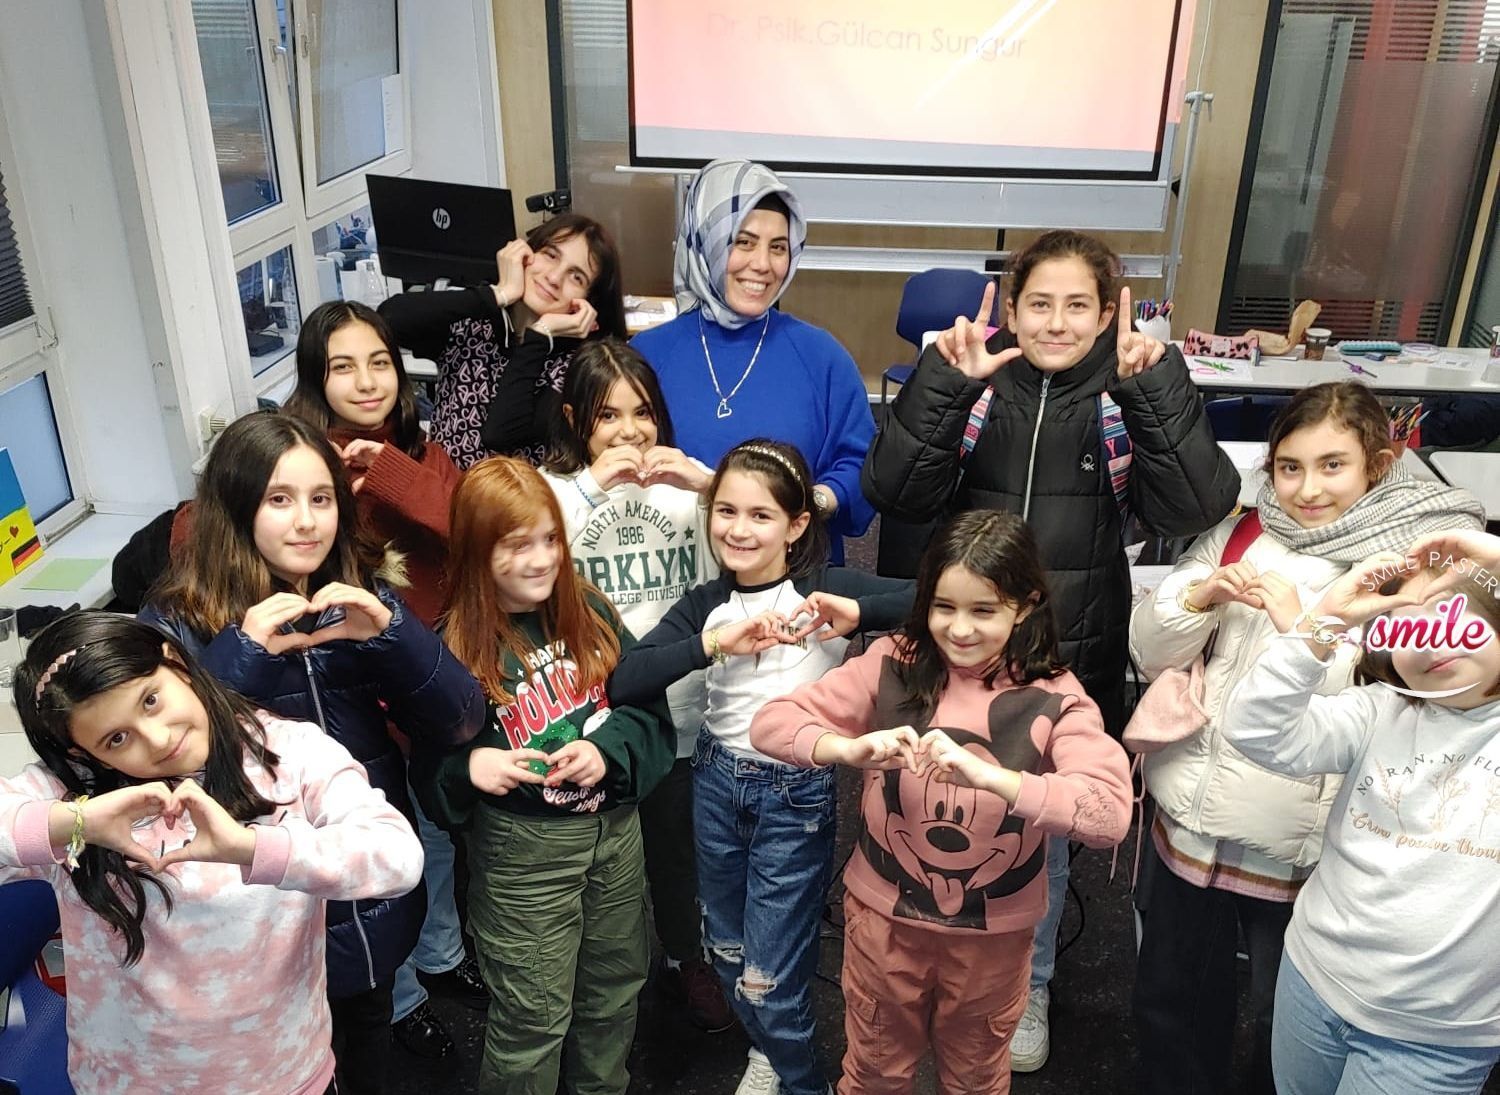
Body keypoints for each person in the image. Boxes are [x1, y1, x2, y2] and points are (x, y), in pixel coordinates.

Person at [862, 229, 1241, 1070]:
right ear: (1011, 308)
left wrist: (1158, 391)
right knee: (935, 802)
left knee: (1043, 828)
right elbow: (892, 488)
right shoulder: (981, 385)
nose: (1058, 322)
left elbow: (1195, 505)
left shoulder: (1125, 395)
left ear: (1111, 314)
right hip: (960, 645)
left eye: (1079, 306)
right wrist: (941, 386)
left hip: (1073, 655)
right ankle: (917, 957)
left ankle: (1026, 982)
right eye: (1040, 303)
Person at [1128, 382, 1484, 1094]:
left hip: (1304, 839)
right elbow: (1150, 650)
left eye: (1332, 466)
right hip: (1193, 809)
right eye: (1289, 467)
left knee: (1282, 1012)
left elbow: (1414, 698)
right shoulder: (1243, 529)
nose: (1306, 488)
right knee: (1170, 997)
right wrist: (1196, 598)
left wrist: (1306, 624)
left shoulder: (1420, 564)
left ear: (1377, 465)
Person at [140, 411, 484, 1094]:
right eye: (279, 499)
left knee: (366, 1038)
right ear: (236, 507)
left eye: (321, 498)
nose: (306, 521)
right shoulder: (177, 619)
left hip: (363, 902)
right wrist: (239, 654)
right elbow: (168, 771)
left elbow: (462, 718)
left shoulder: (355, 594)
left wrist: (392, 633)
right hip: (256, 919)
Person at [750, 509, 1130, 1094]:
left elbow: (1108, 813)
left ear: (1025, 605)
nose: (960, 630)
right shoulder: (894, 663)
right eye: (944, 607)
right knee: (876, 1072)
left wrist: (996, 778)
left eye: (985, 610)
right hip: (884, 925)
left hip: (992, 942)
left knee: (975, 1079)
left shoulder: (1055, 697)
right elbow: (772, 723)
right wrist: (847, 747)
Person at [2, 612, 424, 1095]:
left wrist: (251, 848)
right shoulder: (72, 795)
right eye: (116, 739)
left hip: (285, 1075)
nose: (157, 739)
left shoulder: (288, 753)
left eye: (151, 700)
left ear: (175, 662)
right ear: (85, 756)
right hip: (130, 1083)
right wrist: (73, 823)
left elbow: (397, 857)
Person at [610, 439, 913, 1095]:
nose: (739, 530)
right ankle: (773, 1045)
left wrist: (860, 613)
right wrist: (712, 643)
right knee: (727, 954)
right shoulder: (706, 604)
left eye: (760, 515)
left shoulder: (824, 588)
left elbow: (934, 598)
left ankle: (801, 1077)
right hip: (716, 783)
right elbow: (625, 678)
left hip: (795, 792)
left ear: (797, 523)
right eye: (726, 512)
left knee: (768, 976)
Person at [412, 456, 675, 1095]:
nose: (540, 560)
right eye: (516, 545)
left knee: (615, 991)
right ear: (477, 553)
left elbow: (646, 709)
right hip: (524, 858)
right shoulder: (454, 646)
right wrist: (469, 764)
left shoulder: (586, 606)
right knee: (532, 1018)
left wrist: (609, 750)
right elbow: (428, 775)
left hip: (615, 837)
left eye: (550, 539)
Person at [283, 301, 485, 1057]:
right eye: (342, 365)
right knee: (373, 853)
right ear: (315, 377)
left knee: (431, 839)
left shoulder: (421, 455)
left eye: (379, 362)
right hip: (347, 705)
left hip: (428, 680)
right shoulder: (301, 467)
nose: (367, 381)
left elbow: (472, 524)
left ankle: (438, 959)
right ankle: (399, 998)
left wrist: (390, 469)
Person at [1221, 554, 1500, 1094]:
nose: (1434, 642)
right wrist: (1324, 619)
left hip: (1437, 1033)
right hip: (1314, 978)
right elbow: (1254, 728)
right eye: (1410, 627)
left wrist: (1490, 555)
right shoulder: (1378, 711)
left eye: (1456, 618)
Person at [537, 337, 732, 1031]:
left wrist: (707, 484)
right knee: (602, 863)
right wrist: (594, 486)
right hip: (594, 718)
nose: (629, 432)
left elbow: (758, 534)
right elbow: (532, 547)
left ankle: (687, 957)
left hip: (683, 709)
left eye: (642, 413)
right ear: (574, 421)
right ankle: (604, 979)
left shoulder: (686, 492)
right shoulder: (558, 493)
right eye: (607, 416)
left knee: (679, 855)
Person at [630, 159, 875, 563]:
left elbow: (861, 467)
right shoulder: (647, 355)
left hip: (793, 588)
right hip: (675, 576)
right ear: (706, 241)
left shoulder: (821, 355)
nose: (762, 264)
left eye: (778, 247)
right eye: (742, 242)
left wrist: (803, 505)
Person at [378, 212, 627, 468]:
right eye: (550, 255)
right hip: (440, 496)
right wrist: (499, 293)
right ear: (524, 253)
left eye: (576, 277)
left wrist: (540, 334)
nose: (554, 278)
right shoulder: (475, 323)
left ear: (589, 302)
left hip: (517, 506)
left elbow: (499, 434)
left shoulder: (579, 367)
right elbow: (388, 320)